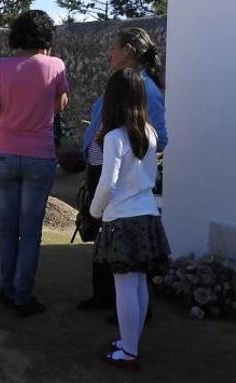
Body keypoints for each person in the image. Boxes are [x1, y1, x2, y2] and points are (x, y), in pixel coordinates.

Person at [0, 10, 69, 316]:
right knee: (30, 230)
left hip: (5, 152)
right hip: (39, 155)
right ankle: (22, 295)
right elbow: (59, 105)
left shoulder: (1, 66)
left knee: (8, 227)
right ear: (46, 36)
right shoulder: (55, 65)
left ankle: (6, 288)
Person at [78, 28, 167, 316]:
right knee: (105, 238)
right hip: (103, 168)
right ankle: (105, 297)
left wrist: (126, 155)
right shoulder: (124, 83)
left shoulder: (144, 89)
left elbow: (158, 136)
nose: (109, 54)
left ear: (127, 50)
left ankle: (127, 311)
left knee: (123, 247)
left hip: (117, 177)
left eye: (113, 48)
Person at [90, 68, 171, 369]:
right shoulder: (149, 133)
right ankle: (130, 342)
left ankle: (129, 351)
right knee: (138, 283)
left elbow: (107, 183)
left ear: (112, 99)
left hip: (122, 219)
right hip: (148, 214)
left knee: (124, 285)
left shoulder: (114, 136)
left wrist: (94, 211)